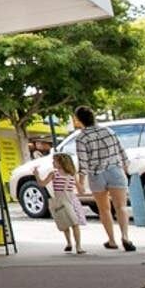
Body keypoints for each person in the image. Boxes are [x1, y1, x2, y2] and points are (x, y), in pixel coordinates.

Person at [72, 105, 135, 251]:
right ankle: (125, 236)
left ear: (80, 120)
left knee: (104, 209)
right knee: (121, 207)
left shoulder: (81, 138)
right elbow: (121, 151)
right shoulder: (108, 131)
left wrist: (81, 182)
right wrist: (125, 169)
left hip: (96, 175)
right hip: (115, 170)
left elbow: (83, 162)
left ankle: (112, 240)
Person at [37, 151, 87, 254]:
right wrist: (37, 175)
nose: (53, 163)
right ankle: (70, 243)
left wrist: (81, 183)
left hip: (68, 200)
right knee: (66, 223)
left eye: (54, 161)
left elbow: (81, 190)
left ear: (62, 162)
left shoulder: (71, 175)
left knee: (74, 223)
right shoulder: (54, 173)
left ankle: (77, 246)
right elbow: (42, 184)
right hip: (65, 200)